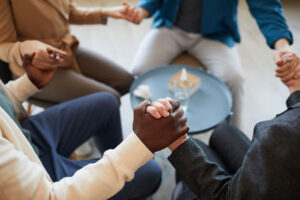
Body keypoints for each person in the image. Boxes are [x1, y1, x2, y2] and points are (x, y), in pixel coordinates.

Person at [0, 52, 190, 200]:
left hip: (22, 137)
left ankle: (111, 175)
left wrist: (28, 83)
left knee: (108, 102)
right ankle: (114, 177)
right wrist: (139, 146)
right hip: (41, 179)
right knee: (150, 171)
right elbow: (49, 196)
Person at [145, 52, 300, 199]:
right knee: (224, 131)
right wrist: (296, 93)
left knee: (195, 146)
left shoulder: (281, 134)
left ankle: (182, 190)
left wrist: (177, 142)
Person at [124, 0, 295, 128]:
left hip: (216, 35)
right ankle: (144, 134)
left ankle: (234, 138)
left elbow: (266, 5)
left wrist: (283, 47)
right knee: (140, 70)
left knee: (233, 80)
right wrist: (142, 9)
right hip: (170, 28)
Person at [0, 0, 136, 105]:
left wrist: (105, 12)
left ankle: (92, 121)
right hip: (33, 69)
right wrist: (27, 48)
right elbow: (3, 46)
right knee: (110, 99)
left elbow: (68, 11)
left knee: (127, 82)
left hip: (65, 50)